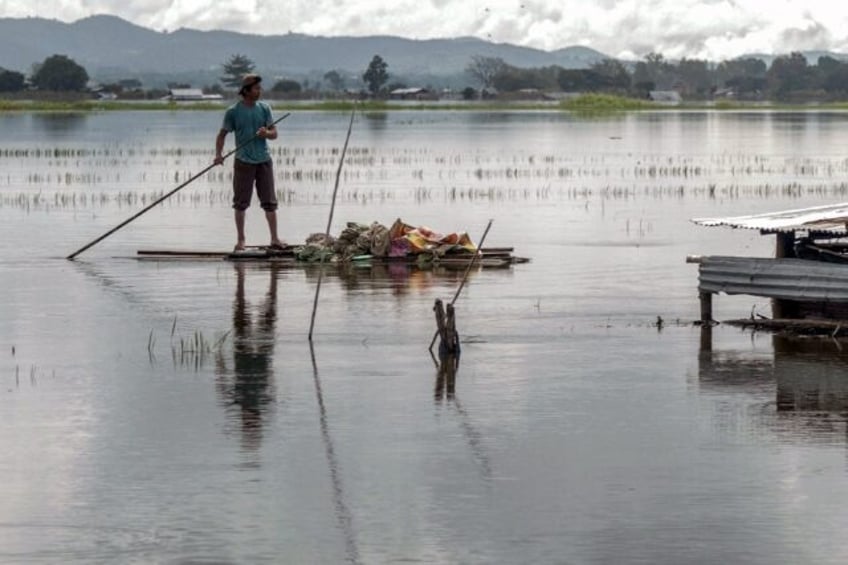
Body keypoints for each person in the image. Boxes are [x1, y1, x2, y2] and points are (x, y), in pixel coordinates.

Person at [214, 73, 285, 252]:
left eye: (260, 88)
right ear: (246, 91)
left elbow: (274, 134)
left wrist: (266, 134)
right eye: (256, 89)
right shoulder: (233, 112)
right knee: (240, 203)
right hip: (243, 162)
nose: (259, 91)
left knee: (269, 202)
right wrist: (218, 155)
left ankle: (275, 239)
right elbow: (222, 134)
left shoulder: (264, 108)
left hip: (264, 161)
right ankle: (241, 240)